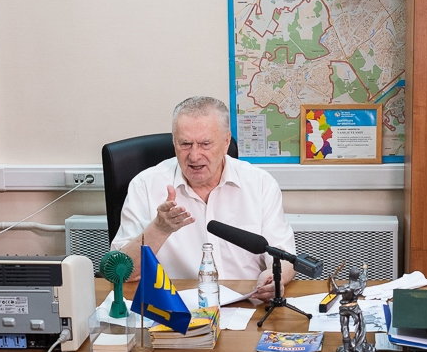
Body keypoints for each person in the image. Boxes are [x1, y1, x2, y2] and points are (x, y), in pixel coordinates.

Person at [112, 96, 296, 301]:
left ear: (226, 142)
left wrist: (274, 278)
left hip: (248, 304)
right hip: (175, 307)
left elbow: (284, 256)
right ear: (174, 142)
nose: (194, 156)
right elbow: (121, 272)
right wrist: (159, 229)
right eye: (185, 144)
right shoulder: (145, 186)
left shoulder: (260, 184)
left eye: (205, 144)